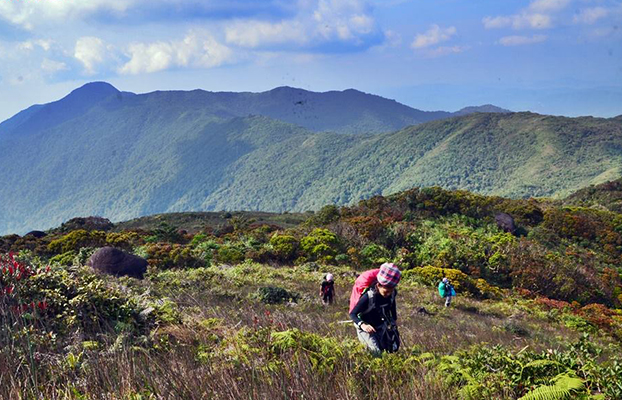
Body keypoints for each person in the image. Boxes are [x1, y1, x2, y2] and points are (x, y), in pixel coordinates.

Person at [349, 263, 401, 355]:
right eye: (386, 292)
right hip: (365, 328)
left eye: (391, 291)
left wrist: (393, 326)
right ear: (378, 285)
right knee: (375, 353)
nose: (388, 294)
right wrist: (363, 325)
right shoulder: (368, 296)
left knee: (389, 351)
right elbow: (353, 314)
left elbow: (393, 311)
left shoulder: (392, 294)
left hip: (381, 326)